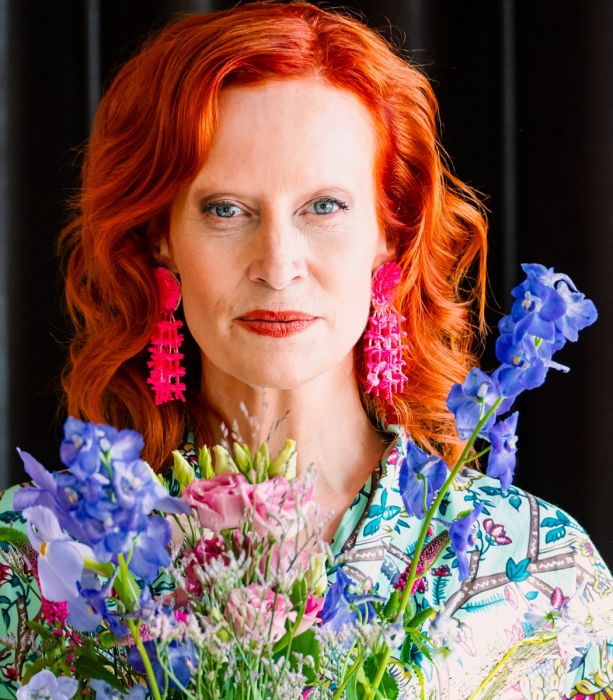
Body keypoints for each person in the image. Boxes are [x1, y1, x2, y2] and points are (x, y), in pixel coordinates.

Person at [1, 2, 611, 698]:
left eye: (324, 207)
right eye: (226, 210)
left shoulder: (538, 573)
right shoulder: (38, 561)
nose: (278, 264)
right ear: (158, 237)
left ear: (389, 231)